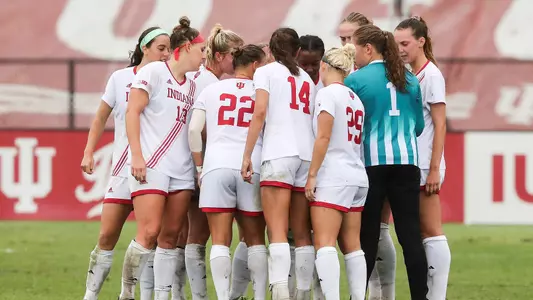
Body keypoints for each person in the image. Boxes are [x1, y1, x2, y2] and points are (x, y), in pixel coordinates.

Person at [80, 26, 170, 300]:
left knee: (150, 238)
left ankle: (131, 295)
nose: (167, 55)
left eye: (170, 49)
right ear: (145, 48)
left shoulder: (170, 80)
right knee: (107, 236)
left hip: (154, 168)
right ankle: (90, 295)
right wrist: (88, 151)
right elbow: (100, 117)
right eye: (161, 48)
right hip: (122, 169)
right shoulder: (120, 78)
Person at [121, 16, 205, 300]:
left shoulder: (193, 84)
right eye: (200, 50)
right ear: (184, 48)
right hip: (152, 164)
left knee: (170, 237)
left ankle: (160, 296)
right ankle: (127, 292)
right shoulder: (154, 72)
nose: (204, 56)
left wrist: (196, 166)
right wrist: (136, 155)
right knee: (148, 232)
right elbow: (132, 112)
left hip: (181, 169)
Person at [344, 24, 428, 300]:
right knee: (411, 236)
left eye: (354, 47)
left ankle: (360, 296)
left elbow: (351, 125)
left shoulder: (355, 79)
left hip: (372, 164)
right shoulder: (410, 78)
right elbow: (417, 126)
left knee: (367, 236)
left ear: (368, 48)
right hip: (407, 163)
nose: (351, 53)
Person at [188, 44, 268, 300]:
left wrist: (199, 166)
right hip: (251, 166)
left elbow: (193, 130)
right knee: (255, 238)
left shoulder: (212, 89)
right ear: (255, 65)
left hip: (216, 166)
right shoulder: (262, 91)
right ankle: (258, 296)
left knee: (220, 240)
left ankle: (223, 297)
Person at [241, 27, 316, 300]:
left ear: (270, 50)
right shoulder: (307, 78)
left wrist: (248, 154)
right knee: (301, 233)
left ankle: (280, 292)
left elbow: (259, 111)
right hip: (305, 155)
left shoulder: (265, 72)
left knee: (276, 231)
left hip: (279, 152)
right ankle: (302, 294)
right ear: (297, 51)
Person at [184, 24, 244, 300]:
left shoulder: (199, 78)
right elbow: (198, 127)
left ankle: (183, 294)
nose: (239, 59)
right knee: (196, 235)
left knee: (186, 235)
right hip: (203, 163)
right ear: (220, 56)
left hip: (198, 163)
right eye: (235, 53)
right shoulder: (211, 84)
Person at [304, 43, 368, 300]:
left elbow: (323, 137)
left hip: (334, 175)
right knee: (353, 246)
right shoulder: (356, 99)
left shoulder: (327, 94)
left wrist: (311, 175)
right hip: (357, 175)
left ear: (324, 66)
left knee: (325, 243)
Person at [395, 16, 451, 300]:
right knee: (418, 232)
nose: (400, 49)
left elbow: (440, 123)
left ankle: (437, 295)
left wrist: (433, 169)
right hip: (411, 163)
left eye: (405, 43)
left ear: (421, 41)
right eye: (396, 44)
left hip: (425, 162)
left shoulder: (432, 75)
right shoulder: (410, 75)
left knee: (431, 230)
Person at [296, 34, 326, 300]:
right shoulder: (288, 83)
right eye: (303, 64)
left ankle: (318, 293)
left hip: (322, 167)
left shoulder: (330, 86)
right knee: (294, 232)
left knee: (320, 235)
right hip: (295, 163)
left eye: (314, 64)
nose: (309, 70)